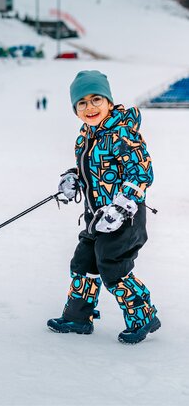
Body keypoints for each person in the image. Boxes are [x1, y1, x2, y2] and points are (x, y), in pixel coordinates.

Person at [48, 70, 159, 344]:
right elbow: (92, 171)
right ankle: (77, 317)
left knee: (112, 267)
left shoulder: (122, 133)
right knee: (83, 262)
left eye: (96, 99)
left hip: (125, 217)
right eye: (82, 103)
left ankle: (142, 314)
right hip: (95, 216)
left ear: (109, 102)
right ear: (76, 110)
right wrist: (73, 179)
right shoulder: (85, 137)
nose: (90, 107)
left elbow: (141, 173)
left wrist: (120, 209)